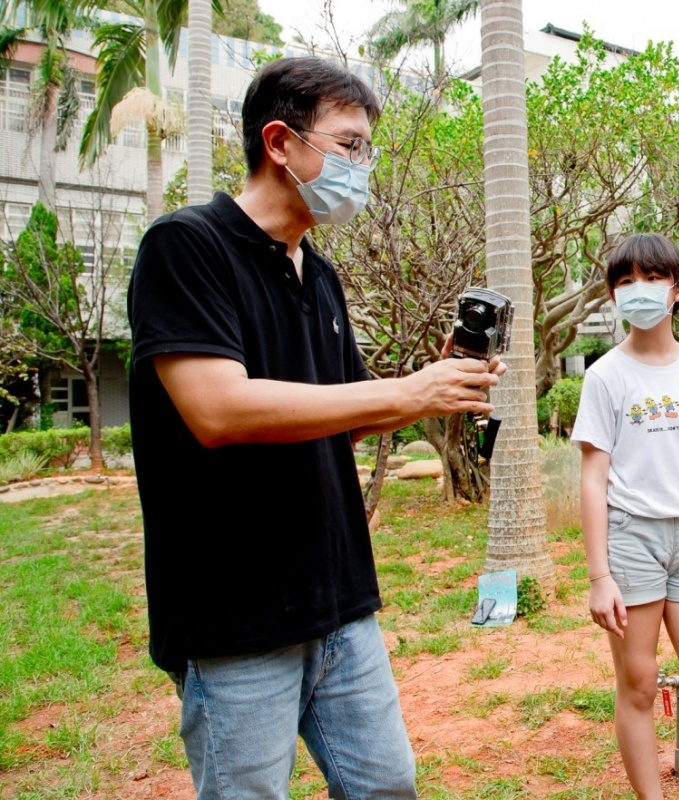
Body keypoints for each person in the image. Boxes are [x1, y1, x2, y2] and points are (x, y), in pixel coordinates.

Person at [127, 56, 504, 800]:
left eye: (368, 149)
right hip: (234, 613)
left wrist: (429, 392)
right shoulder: (185, 247)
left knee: (387, 786)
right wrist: (400, 391)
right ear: (279, 142)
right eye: (349, 145)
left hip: (338, 601)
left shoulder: (319, 274)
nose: (364, 166)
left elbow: (344, 412)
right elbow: (218, 409)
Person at [571, 233, 679, 800]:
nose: (637, 291)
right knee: (639, 686)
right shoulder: (605, 376)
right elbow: (593, 478)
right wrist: (600, 577)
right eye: (624, 283)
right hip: (631, 540)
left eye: (650, 279)